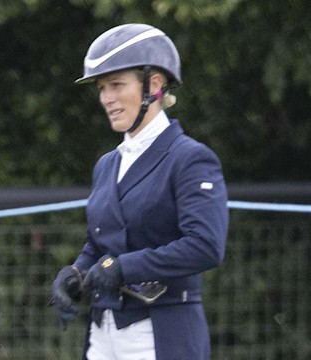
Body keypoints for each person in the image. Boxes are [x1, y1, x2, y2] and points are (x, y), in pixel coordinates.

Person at [50, 23, 229, 359]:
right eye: (103, 88)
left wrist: (125, 268)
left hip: (158, 331)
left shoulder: (189, 158)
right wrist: (74, 272)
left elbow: (206, 246)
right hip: (103, 334)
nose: (107, 98)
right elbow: (99, 242)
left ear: (154, 85)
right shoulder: (107, 164)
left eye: (117, 85)